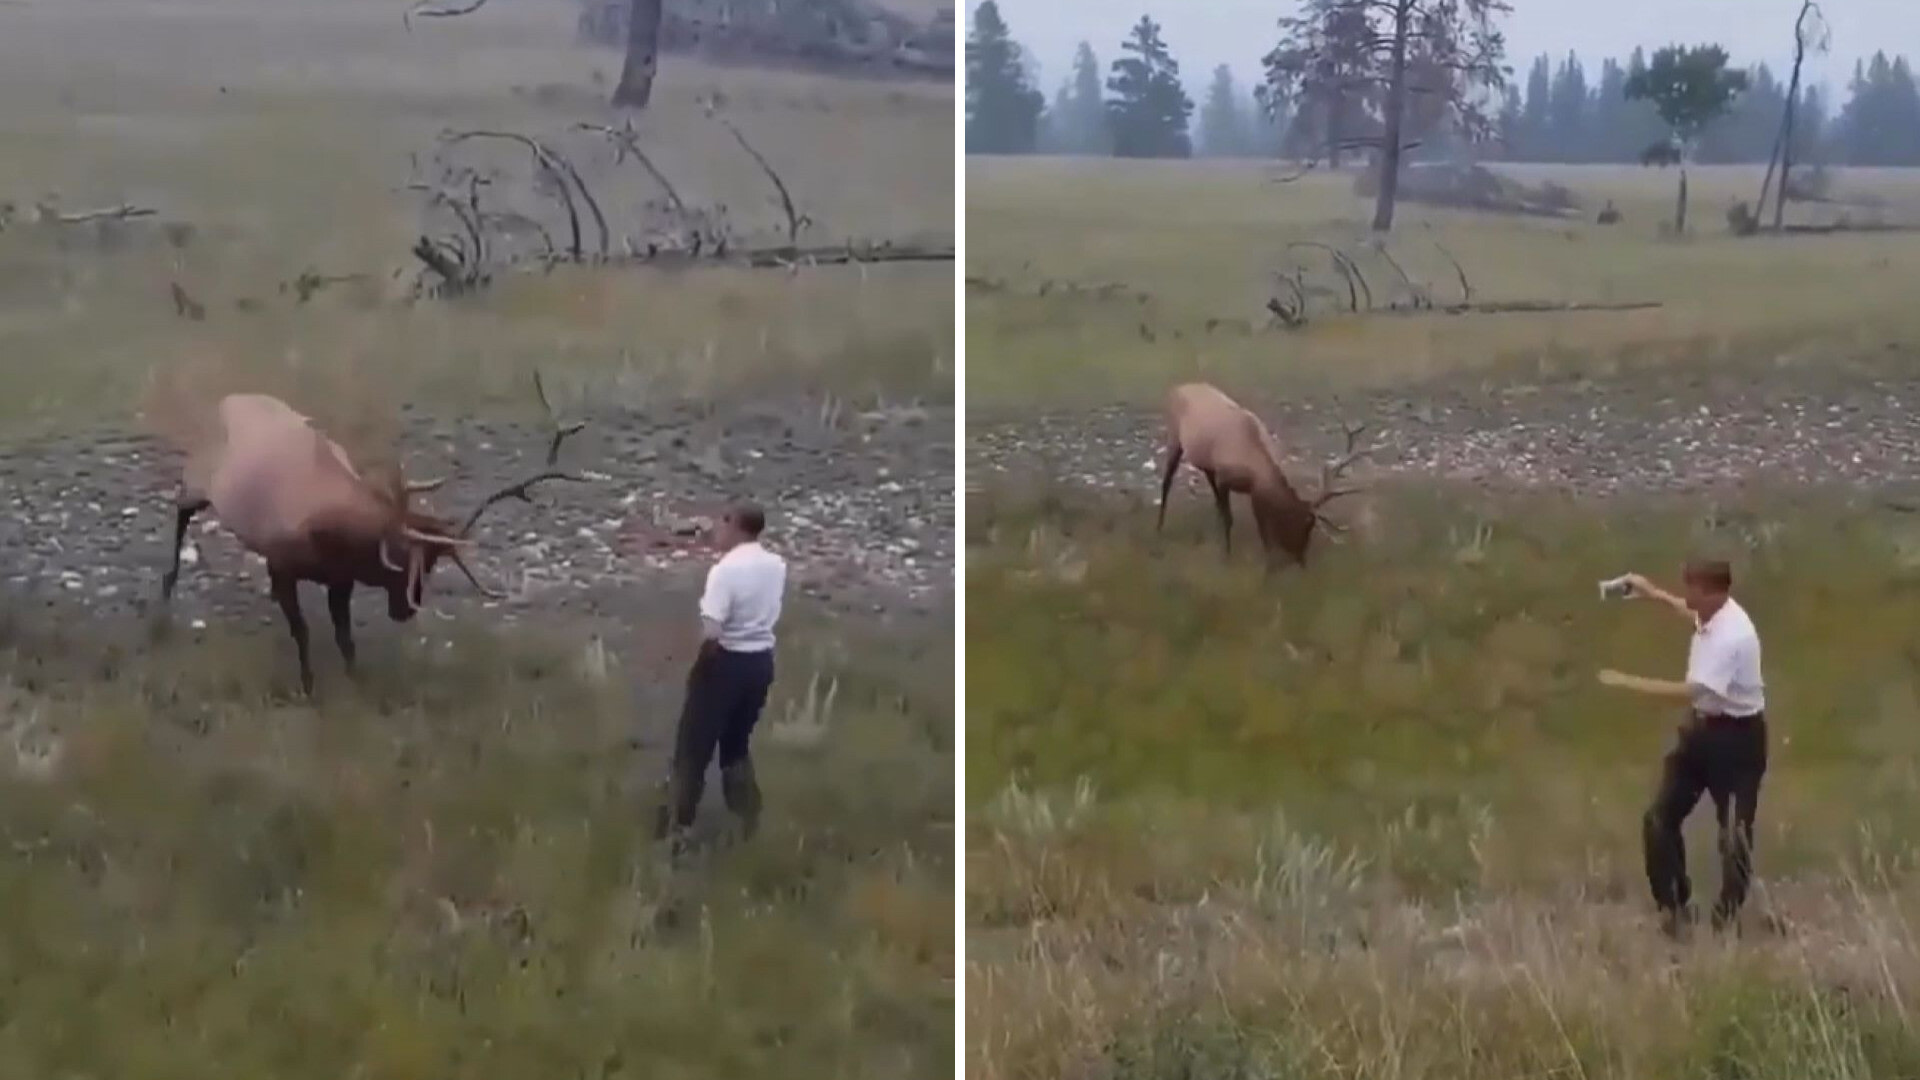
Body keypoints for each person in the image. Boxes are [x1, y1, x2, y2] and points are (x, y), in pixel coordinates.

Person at [1596, 559, 1767, 937]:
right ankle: (1673, 910)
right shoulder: (1711, 615)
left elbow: (1689, 692)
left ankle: (1728, 919)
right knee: (1658, 820)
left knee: (1734, 834)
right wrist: (1650, 592)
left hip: (1738, 743)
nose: (1687, 596)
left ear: (1713, 592)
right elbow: (1685, 611)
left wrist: (1626, 683)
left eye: (1692, 589)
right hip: (1701, 734)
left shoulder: (1733, 636)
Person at [655, 502, 787, 851]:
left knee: (692, 748)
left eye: (722, 523)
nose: (716, 530)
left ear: (736, 526)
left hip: (727, 662)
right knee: (736, 746)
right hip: (760, 664)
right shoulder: (776, 565)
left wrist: (700, 671)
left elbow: (713, 632)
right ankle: (748, 823)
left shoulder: (725, 572)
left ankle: (676, 829)